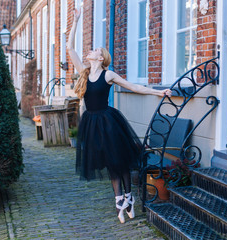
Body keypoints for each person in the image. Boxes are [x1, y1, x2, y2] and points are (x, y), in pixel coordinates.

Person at [66, 8, 172, 224]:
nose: (90, 51)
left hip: (108, 122)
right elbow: (69, 47)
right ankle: (119, 202)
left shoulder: (108, 74)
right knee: (109, 163)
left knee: (119, 162)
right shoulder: (84, 72)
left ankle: (129, 198)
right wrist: (76, 20)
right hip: (91, 123)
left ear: (101, 56)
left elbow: (133, 86)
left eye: (94, 49)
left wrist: (157, 91)